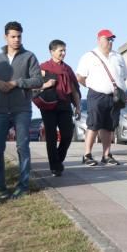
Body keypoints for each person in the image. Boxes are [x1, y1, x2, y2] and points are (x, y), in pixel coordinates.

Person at [0, 21, 42, 200]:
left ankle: (23, 186)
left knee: (22, 147)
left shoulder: (29, 57)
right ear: (5, 37)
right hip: (1, 110)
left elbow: (38, 80)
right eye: (13, 36)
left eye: (19, 36)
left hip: (22, 109)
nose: (16, 39)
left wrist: (17, 83)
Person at [76, 29, 127, 167]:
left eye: (112, 39)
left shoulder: (117, 56)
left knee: (109, 126)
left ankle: (107, 155)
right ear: (99, 40)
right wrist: (91, 85)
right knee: (93, 124)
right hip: (97, 95)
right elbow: (80, 77)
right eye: (108, 39)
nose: (110, 42)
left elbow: (124, 75)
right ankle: (87, 155)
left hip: (114, 97)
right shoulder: (89, 56)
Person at [37, 39, 81, 176]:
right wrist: (47, 85)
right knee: (51, 136)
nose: (63, 53)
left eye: (64, 50)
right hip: (48, 105)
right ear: (52, 52)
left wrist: (78, 106)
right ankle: (55, 167)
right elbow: (33, 85)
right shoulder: (43, 67)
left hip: (64, 104)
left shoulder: (67, 68)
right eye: (60, 50)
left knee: (67, 134)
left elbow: (74, 89)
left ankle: (58, 160)